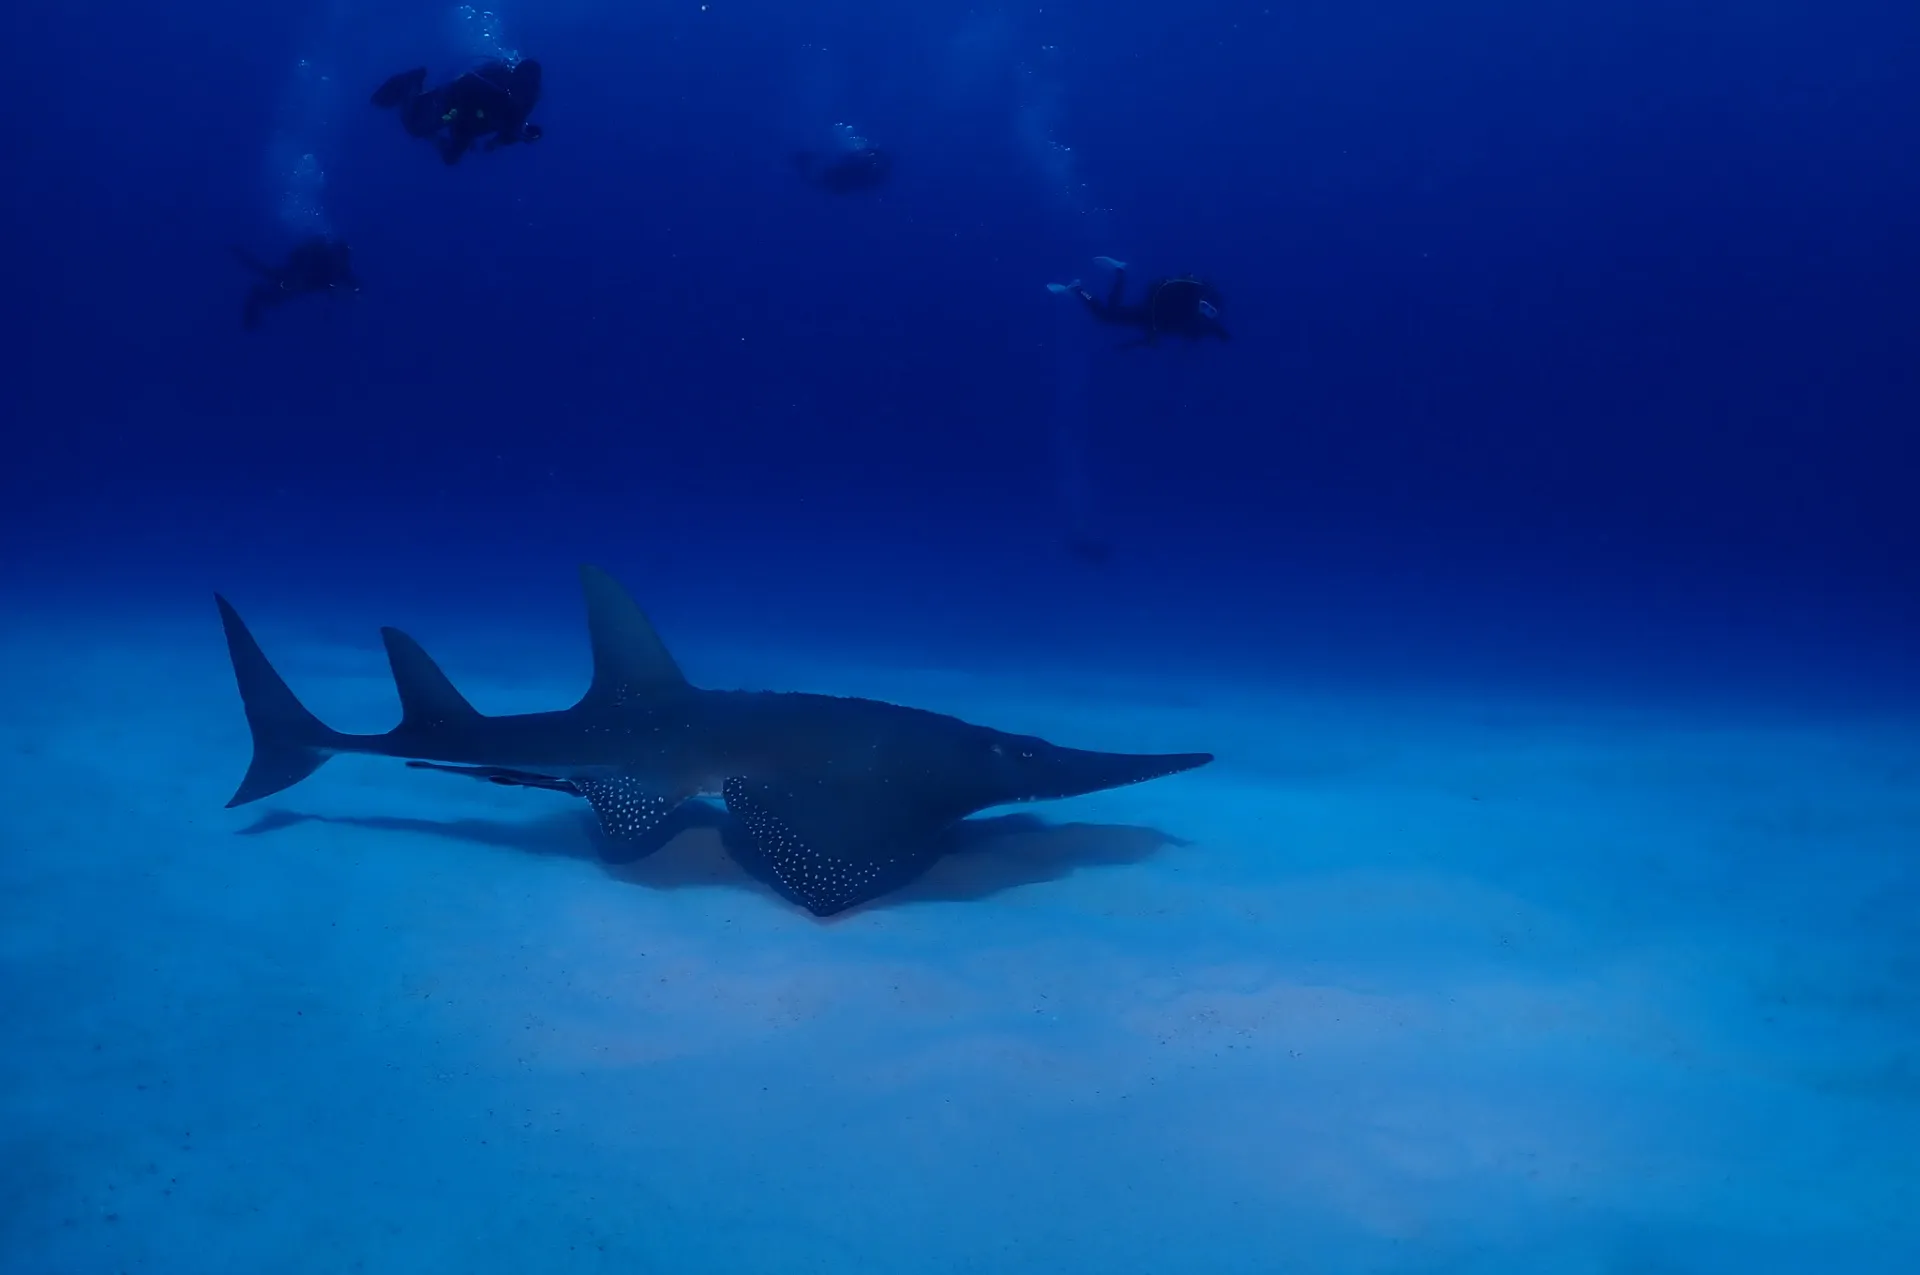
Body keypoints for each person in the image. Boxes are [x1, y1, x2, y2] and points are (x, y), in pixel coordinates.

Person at [371, 60, 544, 166]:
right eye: (523, 84)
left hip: (468, 120)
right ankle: (412, 84)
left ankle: (430, 129)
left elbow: (512, 132)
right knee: (414, 126)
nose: (524, 90)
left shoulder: (522, 107)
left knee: (450, 157)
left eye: (530, 86)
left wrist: (495, 143)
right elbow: (467, 81)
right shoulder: (501, 91)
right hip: (454, 101)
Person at [1048, 256, 1230, 344]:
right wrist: (1152, 331)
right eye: (1204, 305)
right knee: (1107, 315)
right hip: (1148, 311)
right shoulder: (1186, 298)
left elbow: (1197, 330)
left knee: (1106, 316)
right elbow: (1160, 297)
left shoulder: (1201, 324)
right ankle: (1115, 272)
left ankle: (1080, 288)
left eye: (1211, 312)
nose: (1204, 311)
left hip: (1148, 321)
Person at [233, 237, 359, 330]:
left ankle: (239, 254)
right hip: (296, 277)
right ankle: (238, 253)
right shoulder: (323, 261)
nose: (340, 262)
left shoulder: (340, 270)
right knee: (270, 280)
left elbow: (351, 283)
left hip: (300, 281)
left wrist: (356, 289)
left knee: (271, 281)